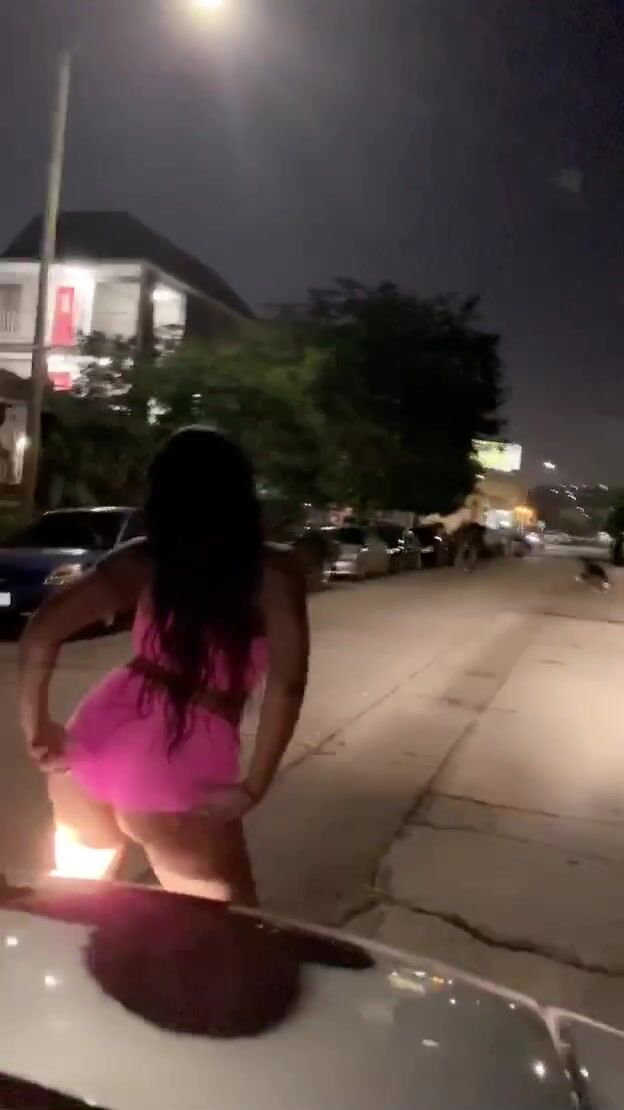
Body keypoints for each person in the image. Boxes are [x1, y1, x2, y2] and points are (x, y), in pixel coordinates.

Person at [18, 427, 310, 905]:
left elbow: (41, 632)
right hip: (178, 762)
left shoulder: (142, 559)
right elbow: (287, 684)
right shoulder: (273, 572)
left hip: (92, 738)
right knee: (223, 929)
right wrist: (254, 785)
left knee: (78, 906)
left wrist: (38, 728)